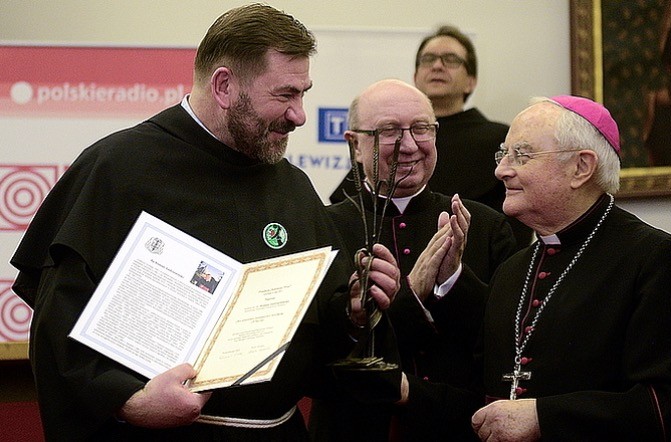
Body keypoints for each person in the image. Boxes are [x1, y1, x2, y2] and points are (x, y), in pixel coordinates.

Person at [9, 4, 400, 441]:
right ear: (224, 86)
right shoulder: (116, 169)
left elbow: (322, 337)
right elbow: (57, 330)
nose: (299, 115)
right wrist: (128, 401)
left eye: (303, 93)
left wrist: (353, 313)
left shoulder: (292, 187)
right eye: (285, 95)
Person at [309, 79, 517, 441]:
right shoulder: (319, 229)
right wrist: (409, 294)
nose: (409, 145)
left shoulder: (486, 225)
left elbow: (505, 345)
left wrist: (453, 280)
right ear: (355, 145)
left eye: (421, 128)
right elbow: (314, 359)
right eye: (389, 131)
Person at [471, 95, 671, 441]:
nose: (501, 170)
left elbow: (661, 405)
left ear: (581, 167)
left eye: (521, 155)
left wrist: (543, 418)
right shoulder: (512, 270)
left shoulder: (653, 259)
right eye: (503, 154)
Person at [329, 25, 533, 249]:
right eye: (428, 59)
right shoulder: (377, 142)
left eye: (450, 59)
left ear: (471, 81)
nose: (437, 66)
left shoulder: (497, 140)